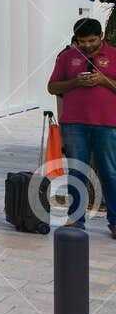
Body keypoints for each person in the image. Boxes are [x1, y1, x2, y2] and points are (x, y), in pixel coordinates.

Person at [47, 17, 116, 238]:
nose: (86, 45)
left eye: (91, 40)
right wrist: (76, 82)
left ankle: (114, 222)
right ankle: (76, 220)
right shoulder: (67, 57)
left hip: (107, 123)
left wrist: (103, 81)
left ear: (101, 37)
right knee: (77, 171)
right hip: (74, 123)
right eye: (82, 41)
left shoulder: (114, 55)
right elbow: (52, 87)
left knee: (110, 172)